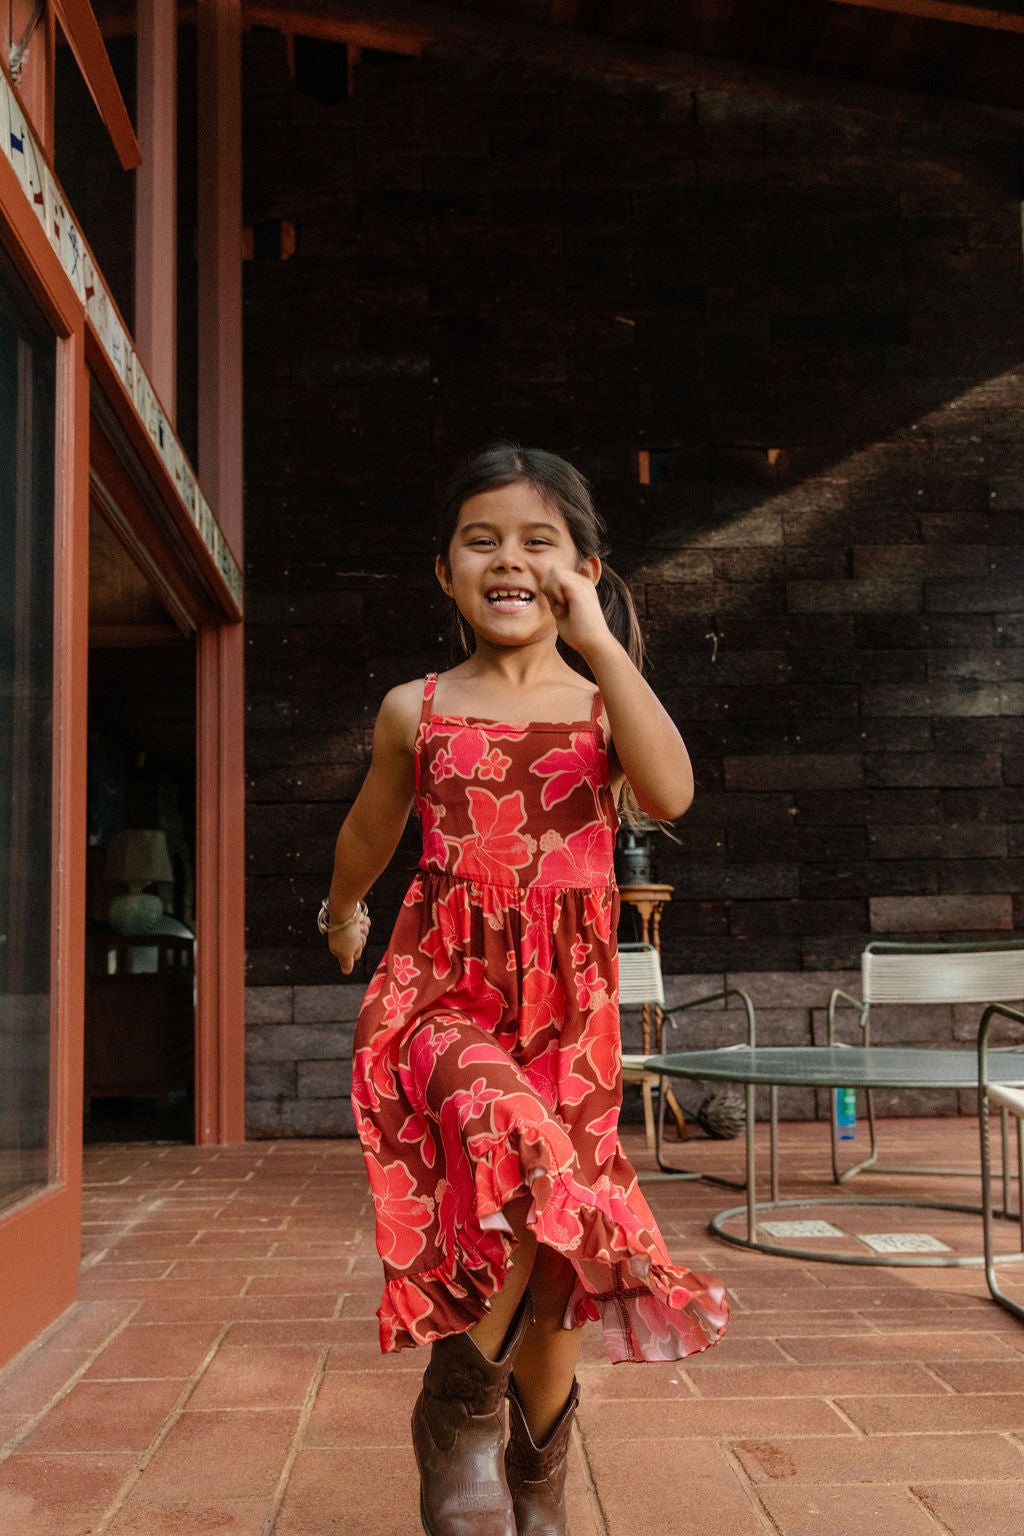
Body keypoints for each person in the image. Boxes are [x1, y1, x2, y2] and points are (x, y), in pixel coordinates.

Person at [323, 444, 728, 1536]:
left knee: (559, 1256)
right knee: (515, 1157)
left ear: (582, 567)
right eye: (481, 540)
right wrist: (338, 907)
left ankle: (538, 1480)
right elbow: (375, 825)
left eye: (538, 541)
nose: (508, 559)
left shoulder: (603, 709)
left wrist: (597, 642)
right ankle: (457, 1422)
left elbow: (671, 788)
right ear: (445, 572)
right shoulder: (418, 707)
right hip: (442, 995)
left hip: (571, 1016)